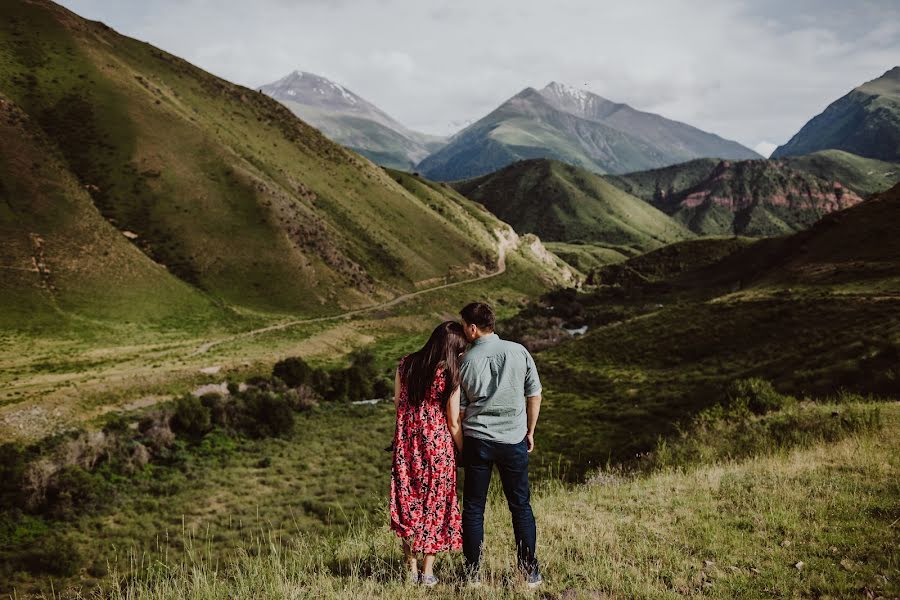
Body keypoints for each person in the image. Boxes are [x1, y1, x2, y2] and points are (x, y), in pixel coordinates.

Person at [458, 301, 543, 588]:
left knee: (473, 508)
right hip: (513, 439)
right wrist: (530, 431)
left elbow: (459, 410)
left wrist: (460, 446)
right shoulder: (518, 351)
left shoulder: (465, 361)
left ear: (472, 328)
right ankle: (529, 572)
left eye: (463, 326)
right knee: (520, 505)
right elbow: (534, 394)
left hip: (478, 440)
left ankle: (473, 575)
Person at [389, 321, 467, 586]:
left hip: (407, 445)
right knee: (436, 504)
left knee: (408, 502)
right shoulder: (449, 374)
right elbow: (453, 420)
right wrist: (463, 450)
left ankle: (410, 570)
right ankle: (428, 571)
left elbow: (398, 402)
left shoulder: (406, 364)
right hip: (437, 446)